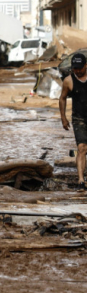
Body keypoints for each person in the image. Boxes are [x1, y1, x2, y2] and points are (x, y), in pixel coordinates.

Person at [60, 52, 87, 190]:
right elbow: (62, 98)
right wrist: (63, 118)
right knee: (82, 148)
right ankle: (81, 181)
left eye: (80, 68)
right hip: (79, 118)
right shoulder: (68, 81)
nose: (77, 71)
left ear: (86, 66)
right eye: (75, 68)